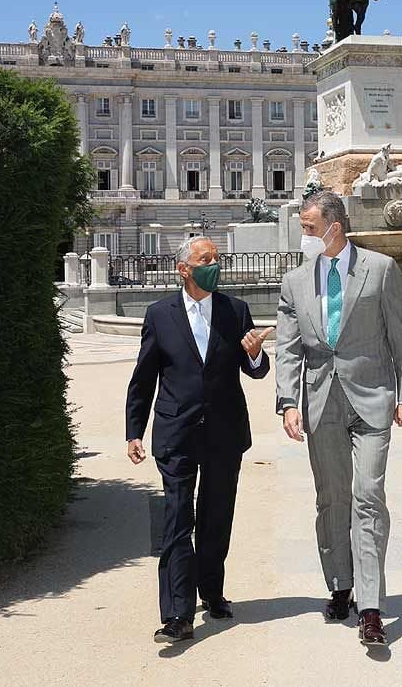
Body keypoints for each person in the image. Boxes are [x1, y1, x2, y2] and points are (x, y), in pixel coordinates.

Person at [275, 191, 402, 646]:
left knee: (368, 496)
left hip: (374, 397)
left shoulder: (380, 269)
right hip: (321, 402)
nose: (305, 234)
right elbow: (288, 347)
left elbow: (401, 335)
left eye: (310, 227)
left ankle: (371, 608)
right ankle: (340, 585)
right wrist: (288, 401)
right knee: (332, 498)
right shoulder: (294, 280)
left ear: (334, 227)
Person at [126, 236, 272, 644]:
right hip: (176, 432)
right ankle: (177, 614)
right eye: (206, 259)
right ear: (183, 268)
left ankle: (212, 591)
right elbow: (143, 378)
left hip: (224, 432)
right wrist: (134, 430)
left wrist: (256, 353)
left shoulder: (235, 310)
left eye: (217, 258)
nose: (214, 264)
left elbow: (254, 370)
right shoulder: (159, 315)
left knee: (216, 516)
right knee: (176, 519)